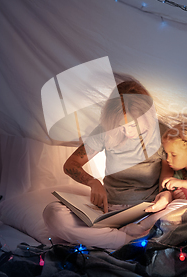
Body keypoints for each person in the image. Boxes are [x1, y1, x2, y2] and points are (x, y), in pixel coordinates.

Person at [43, 79, 174, 249]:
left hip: (148, 212)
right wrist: (93, 182)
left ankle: (119, 238)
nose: (128, 132)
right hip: (110, 212)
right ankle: (126, 241)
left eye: (134, 125)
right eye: (122, 126)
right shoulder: (106, 130)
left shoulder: (163, 133)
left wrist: (166, 196)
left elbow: (166, 180)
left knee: (185, 211)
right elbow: (71, 164)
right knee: (53, 213)